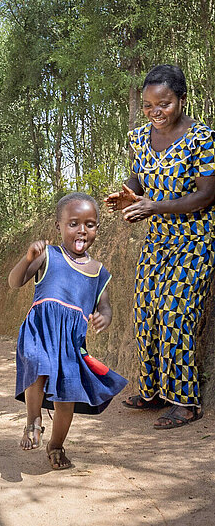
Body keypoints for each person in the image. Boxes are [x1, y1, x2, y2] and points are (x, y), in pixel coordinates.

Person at [105, 64, 215, 429]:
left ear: (181, 100)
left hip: (195, 240)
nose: (156, 112)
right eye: (150, 105)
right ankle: (152, 392)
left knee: (174, 312)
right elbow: (137, 178)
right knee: (146, 311)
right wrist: (128, 194)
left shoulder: (202, 139)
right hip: (158, 241)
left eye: (164, 104)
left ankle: (185, 402)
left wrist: (156, 206)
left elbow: (206, 195)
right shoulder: (138, 138)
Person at [8, 193, 127, 470]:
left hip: (71, 344)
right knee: (37, 363)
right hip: (40, 330)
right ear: (58, 226)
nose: (82, 230)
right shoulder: (48, 255)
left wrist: (103, 318)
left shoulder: (98, 271)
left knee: (67, 398)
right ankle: (33, 421)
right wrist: (27, 259)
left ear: (97, 228)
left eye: (90, 224)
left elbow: (106, 307)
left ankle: (56, 445)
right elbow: (15, 282)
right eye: (73, 223)